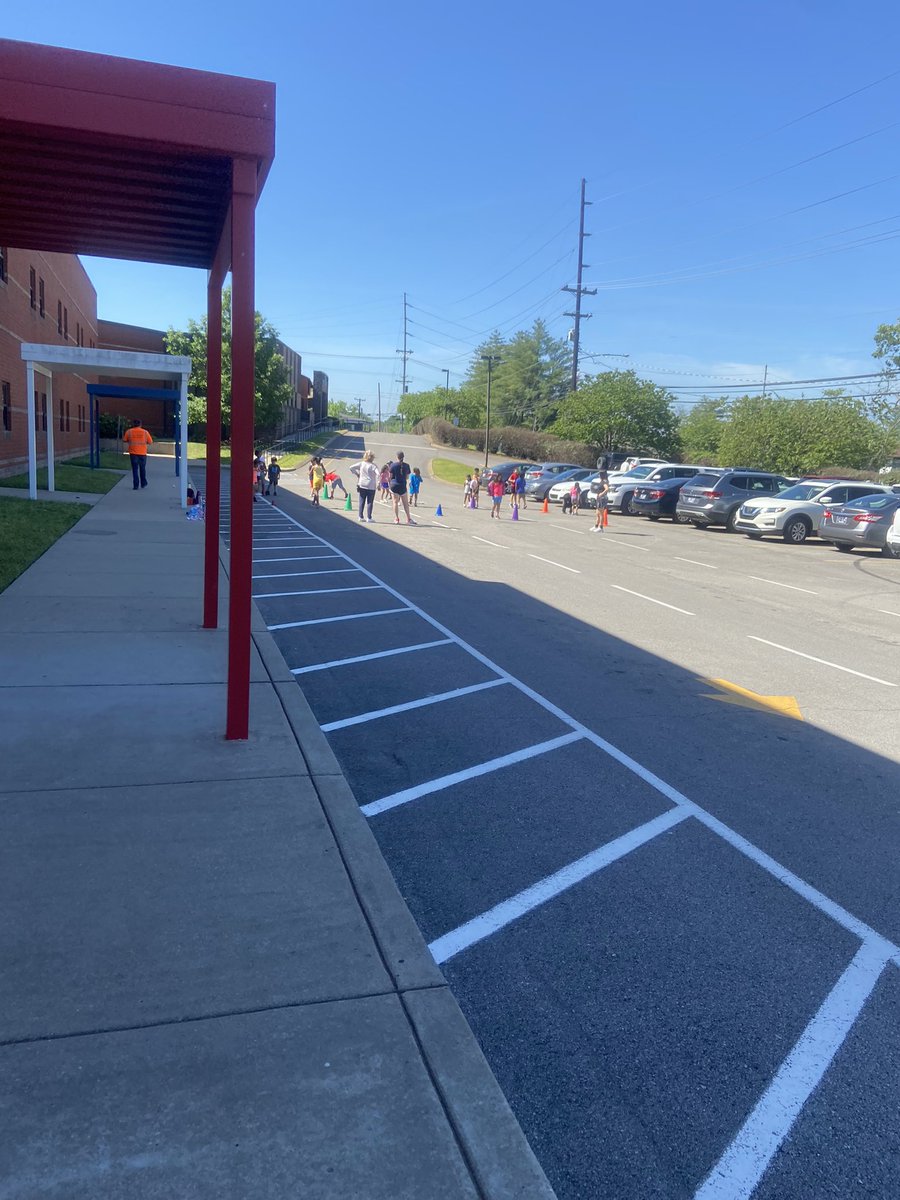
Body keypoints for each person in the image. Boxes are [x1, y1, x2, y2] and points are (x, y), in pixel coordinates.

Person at [122, 418, 152, 489]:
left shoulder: (129, 432)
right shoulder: (145, 432)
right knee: (142, 468)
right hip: (142, 453)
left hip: (133, 453)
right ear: (140, 424)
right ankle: (143, 483)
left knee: (135, 469)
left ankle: (135, 485)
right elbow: (150, 442)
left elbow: (124, 440)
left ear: (133, 424)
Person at [389, 450, 416, 525]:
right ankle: (408, 518)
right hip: (402, 485)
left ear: (397, 457)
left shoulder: (393, 465)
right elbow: (407, 477)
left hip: (394, 485)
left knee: (395, 502)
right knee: (405, 503)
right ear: (403, 457)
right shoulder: (406, 466)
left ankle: (397, 518)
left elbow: (390, 476)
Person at [355, 450, 379, 522]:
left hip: (362, 484)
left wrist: (357, 474)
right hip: (371, 485)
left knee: (361, 500)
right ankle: (369, 517)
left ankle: (360, 516)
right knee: (370, 502)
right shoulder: (373, 466)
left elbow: (351, 467)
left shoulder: (361, 464)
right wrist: (378, 482)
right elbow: (378, 474)